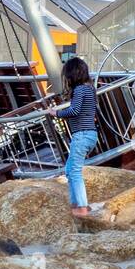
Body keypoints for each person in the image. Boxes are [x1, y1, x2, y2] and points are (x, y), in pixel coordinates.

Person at [50, 57, 97, 218]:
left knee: (75, 171)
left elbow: (74, 110)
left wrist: (56, 113)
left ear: (72, 75)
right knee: (69, 170)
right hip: (90, 134)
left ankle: (83, 207)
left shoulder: (79, 90)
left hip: (82, 135)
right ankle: (75, 202)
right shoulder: (90, 88)